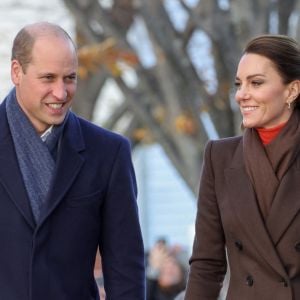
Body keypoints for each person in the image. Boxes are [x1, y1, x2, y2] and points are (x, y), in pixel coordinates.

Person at [0, 22, 145, 300]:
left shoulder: (108, 152)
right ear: (17, 72)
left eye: (69, 78)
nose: (61, 92)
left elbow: (125, 267)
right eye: (48, 78)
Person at [184, 34, 300, 300]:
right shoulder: (220, 156)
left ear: (291, 90)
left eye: (256, 83)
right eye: (239, 84)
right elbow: (206, 264)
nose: (241, 95)